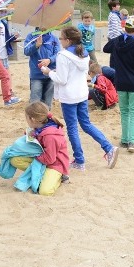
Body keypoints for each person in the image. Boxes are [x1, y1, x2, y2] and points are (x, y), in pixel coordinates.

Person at [42, 26, 117, 170]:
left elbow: (62, 79)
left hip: (69, 96)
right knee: (86, 124)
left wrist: (48, 72)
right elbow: (72, 72)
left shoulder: (63, 55)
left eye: (61, 38)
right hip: (81, 93)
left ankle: (79, 159)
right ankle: (108, 148)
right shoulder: (84, 52)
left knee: (72, 128)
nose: (60, 41)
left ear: (68, 40)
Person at [2, 101, 72, 193]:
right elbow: (38, 138)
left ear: (33, 119)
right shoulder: (40, 126)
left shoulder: (50, 136)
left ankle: (60, 177)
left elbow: (50, 159)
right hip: (44, 160)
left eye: (26, 118)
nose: (26, 121)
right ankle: (42, 174)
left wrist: (33, 155)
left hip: (55, 164)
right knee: (15, 160)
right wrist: (30, 135)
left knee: (45, 191)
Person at [103, 15, 134, 152]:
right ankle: (132, 141)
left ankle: (124, 139)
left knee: (125, 112)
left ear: (125, 28)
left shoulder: (117, 42)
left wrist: (119, 37)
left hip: (120, 81)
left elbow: (105, 48)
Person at [23, 28, 59, 107]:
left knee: (48, 101)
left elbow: (58, 54)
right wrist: (36, 45)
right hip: (36, 75)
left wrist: (49, 60)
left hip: (51, 73)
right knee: (35, 101)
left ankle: (46, 117)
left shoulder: (54, 38)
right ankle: (35, 117)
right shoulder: (31, 36)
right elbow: (26, 51)